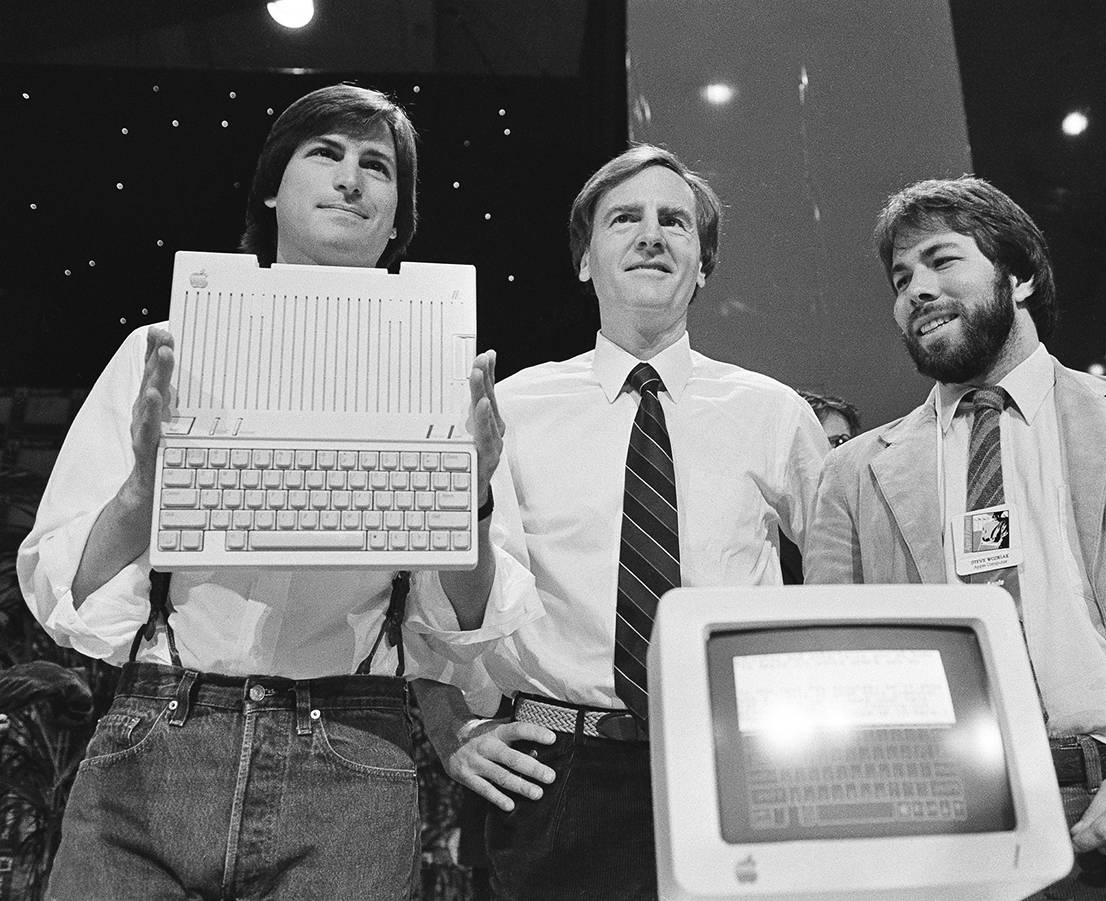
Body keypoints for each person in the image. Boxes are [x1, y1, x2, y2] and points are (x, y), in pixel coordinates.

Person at [18, 83, 538, 900]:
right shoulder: (165, 352)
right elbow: (69, 599)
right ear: (271, 185)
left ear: (399, 216)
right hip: (158, 738)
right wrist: (143, 491)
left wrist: (468, 503)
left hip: (350, 751)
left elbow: (468, 621)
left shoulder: (447, 372)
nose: (351, 179)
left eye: (377, 166)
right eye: (324, 153)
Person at [806, 177, 1106, 897]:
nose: (916, 290)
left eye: (942, 261)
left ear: (1019, 275)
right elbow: (836, 685)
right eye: (901, 278)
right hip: (953, 843)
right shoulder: (851, 477)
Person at [418, 144, 828, 900]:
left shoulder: (773, 412)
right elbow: (450, 609)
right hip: (559, 770)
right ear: (584, 260)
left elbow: (848, 576)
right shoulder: (514, 407)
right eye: (624, 219)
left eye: (675, 221)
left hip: (735, 762)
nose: (652, 234)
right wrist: (454, 731)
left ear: (702, 264)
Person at [780, 390, 862, 583]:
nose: (834, 454)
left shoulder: (863, 517)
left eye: (842, 441)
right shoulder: (771, 528)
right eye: (830, 442)